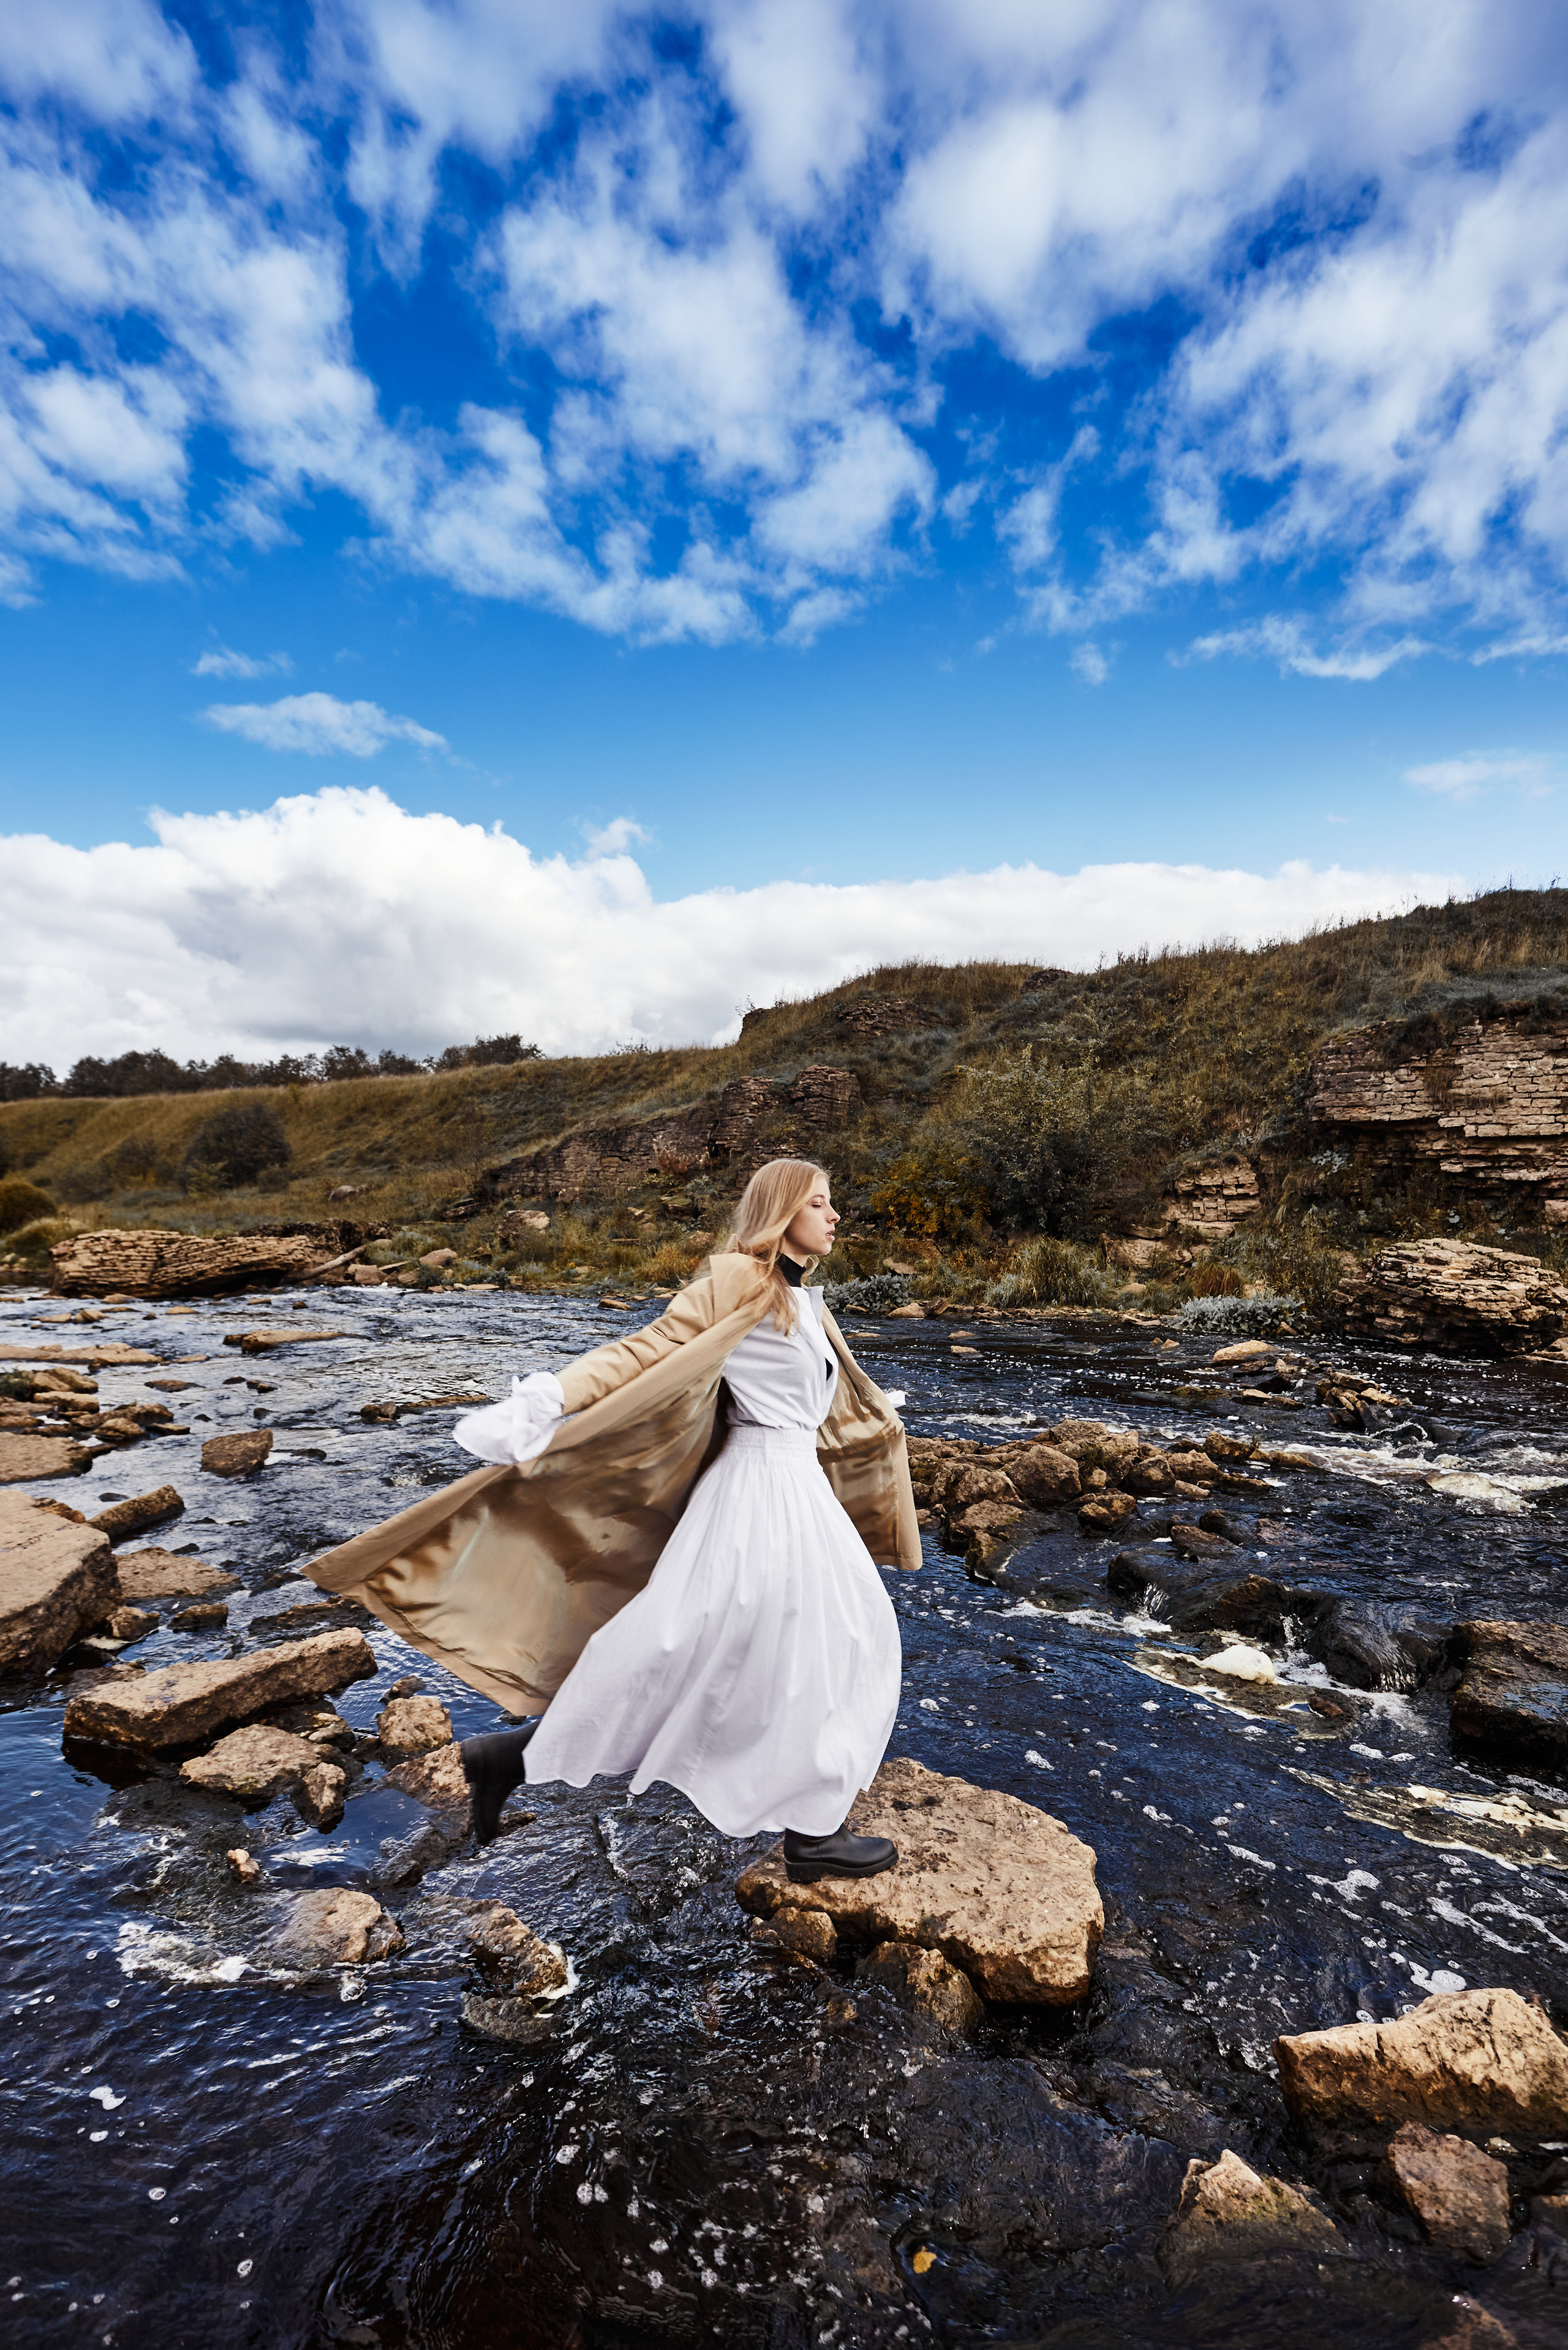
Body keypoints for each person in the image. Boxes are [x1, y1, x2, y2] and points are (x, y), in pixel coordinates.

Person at [304, 1159, 921, 1882]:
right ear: (782, 1213)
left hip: (795, 1491)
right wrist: (546, 1399)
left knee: (786, 1647)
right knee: (729, 1646)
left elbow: (823, 1401)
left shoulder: (808, 1304)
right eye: (819, 1202)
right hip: (754, 1494)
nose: (834, 1215)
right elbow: (643, 1353)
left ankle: (513, 1758)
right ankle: (810, 1835)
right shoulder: (737, 1281)